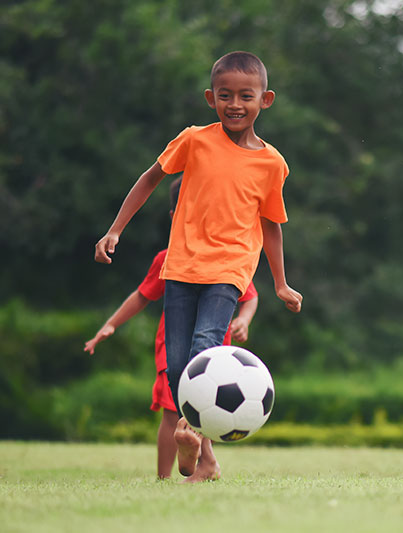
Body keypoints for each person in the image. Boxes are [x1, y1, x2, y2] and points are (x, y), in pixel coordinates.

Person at [93, 51, 302, 483]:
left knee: (205, 347)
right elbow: (151, 177)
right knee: (175, 370)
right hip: (181, 267)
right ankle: (205, 460)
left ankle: (191, 438)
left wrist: (280, 283)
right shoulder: (194, 140)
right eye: (225, 95)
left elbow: (272, 225)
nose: (235, 104)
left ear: (266, 100)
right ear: (211, 98)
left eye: (246, 95)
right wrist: (115, 230)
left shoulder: (271, 163)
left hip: (229, 269)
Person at [84, 177, 260, 479]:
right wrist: (110, 324)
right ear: (174, 217)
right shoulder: (167, 260)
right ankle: (167, 477)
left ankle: (206, 464)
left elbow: (250, 296)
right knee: (173, 412)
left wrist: (243, 320)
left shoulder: (225, 259)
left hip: (216, 352)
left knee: (200, 405)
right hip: (173, 347)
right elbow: (141, 296)